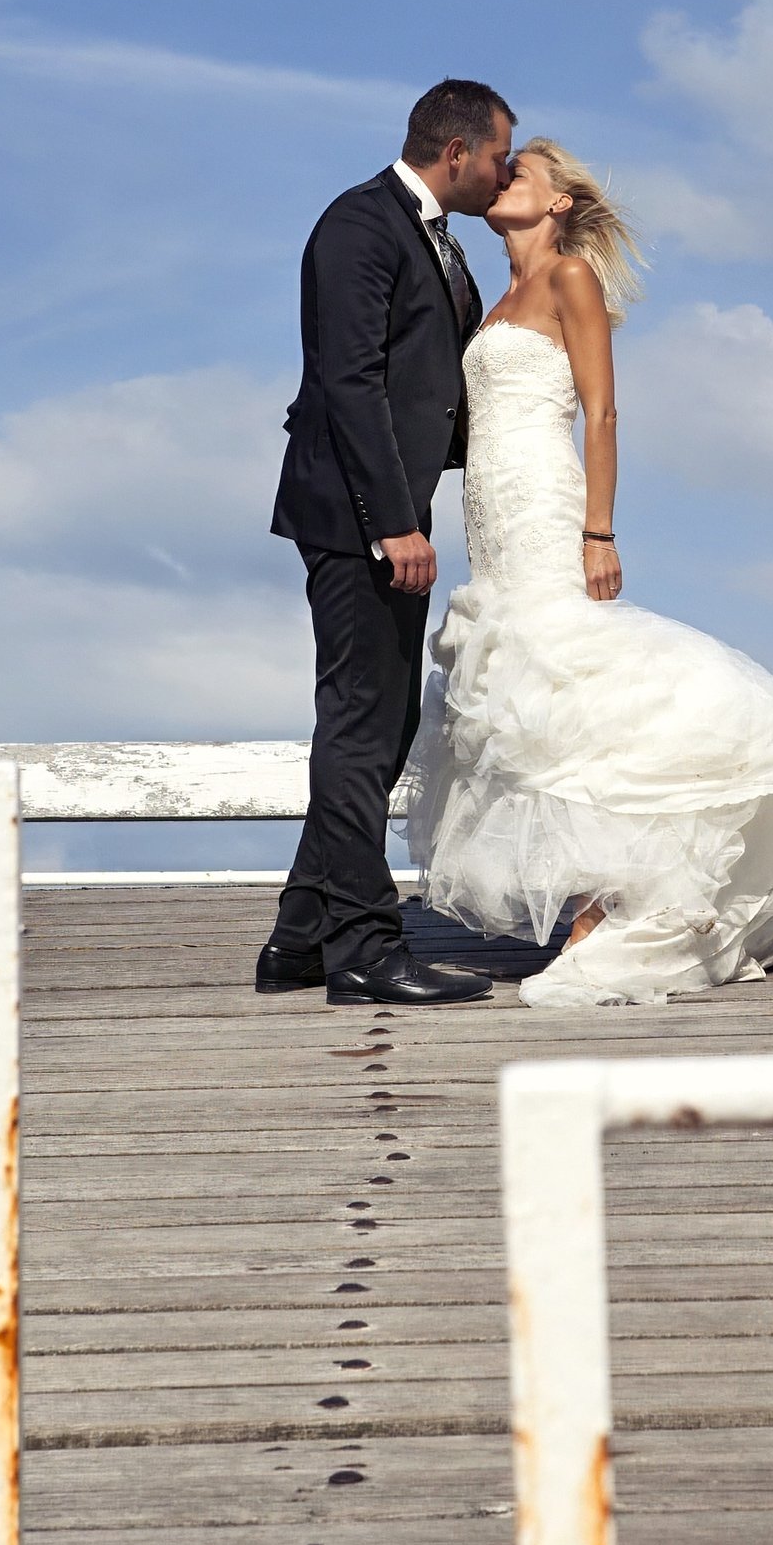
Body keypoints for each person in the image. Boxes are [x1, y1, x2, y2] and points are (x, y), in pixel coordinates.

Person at [404, 138, 773, 1006]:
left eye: (517, 173)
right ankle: (595, 893)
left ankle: (607, 902)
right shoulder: (492, 298)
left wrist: (598, 531)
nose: (500, 182)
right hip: (490, 514)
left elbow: (602, 411)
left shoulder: (570, 278)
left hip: (545, 500)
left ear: (560, 202)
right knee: (523, 688)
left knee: (562, 668)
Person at [258, 80, 516, 1007]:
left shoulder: (434, 240)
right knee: (362, 724)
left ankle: (298, 937)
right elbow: (350, 381)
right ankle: (364, 947)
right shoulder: (359, 226)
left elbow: (431, 382)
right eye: (500, 156)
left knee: (382, 721)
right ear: (457, 152)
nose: (506, 171)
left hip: (395, 512)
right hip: (356, 518)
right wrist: (393, 523)